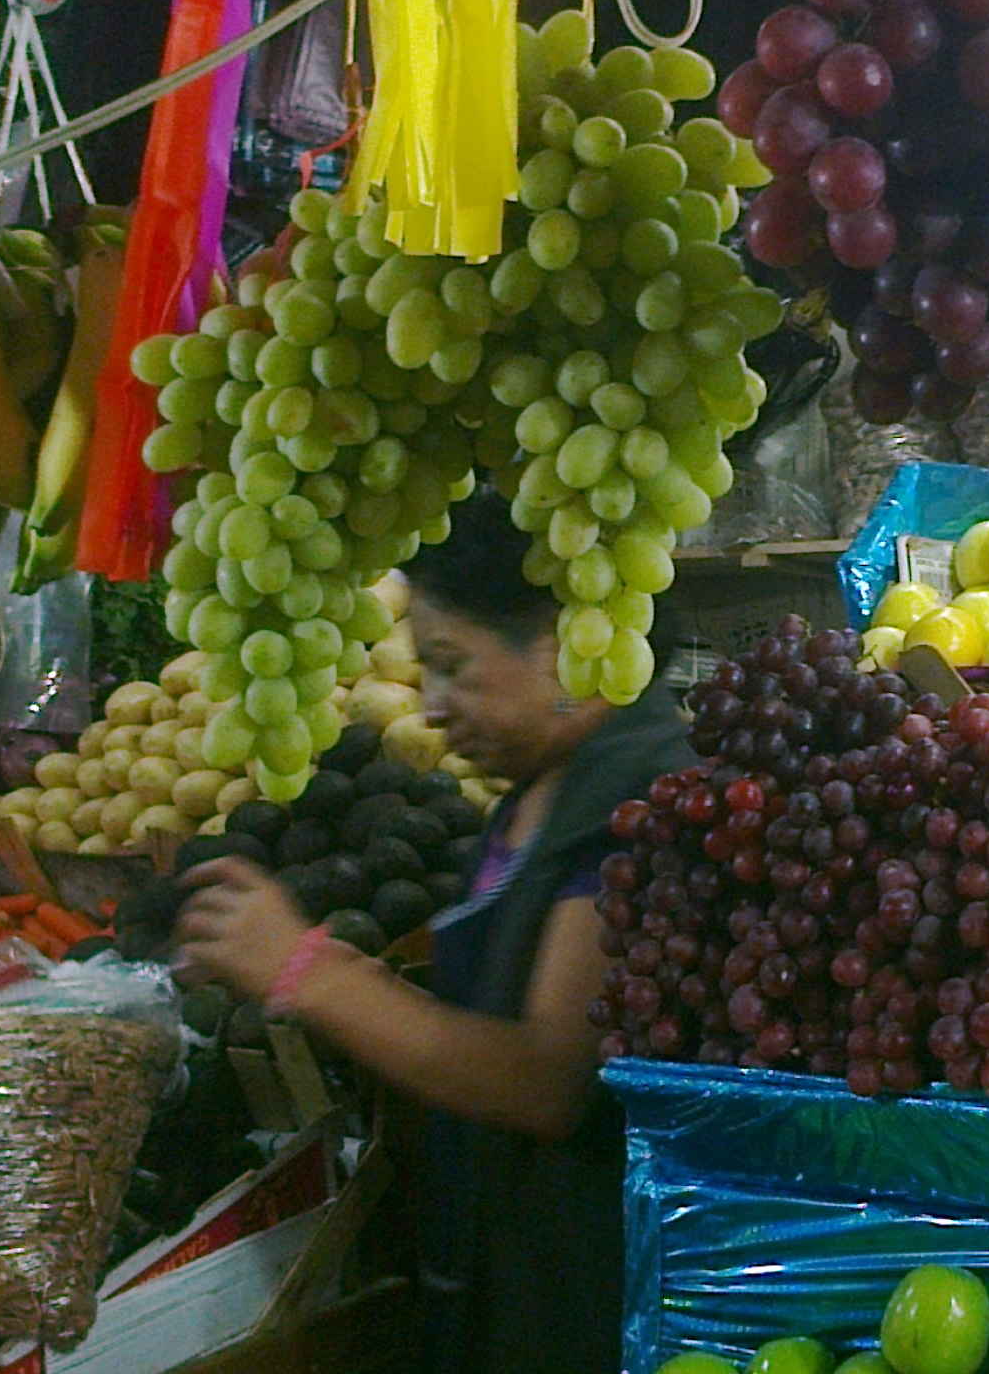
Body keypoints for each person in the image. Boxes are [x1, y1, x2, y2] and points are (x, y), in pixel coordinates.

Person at [173, 489, 693, 1374]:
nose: (436, 707)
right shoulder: (545, 788)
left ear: (570, 648)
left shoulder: (637, 804)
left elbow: (545, 1081)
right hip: (504, 1277)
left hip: (580, 1308)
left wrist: (310, 971)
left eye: (453, 666)